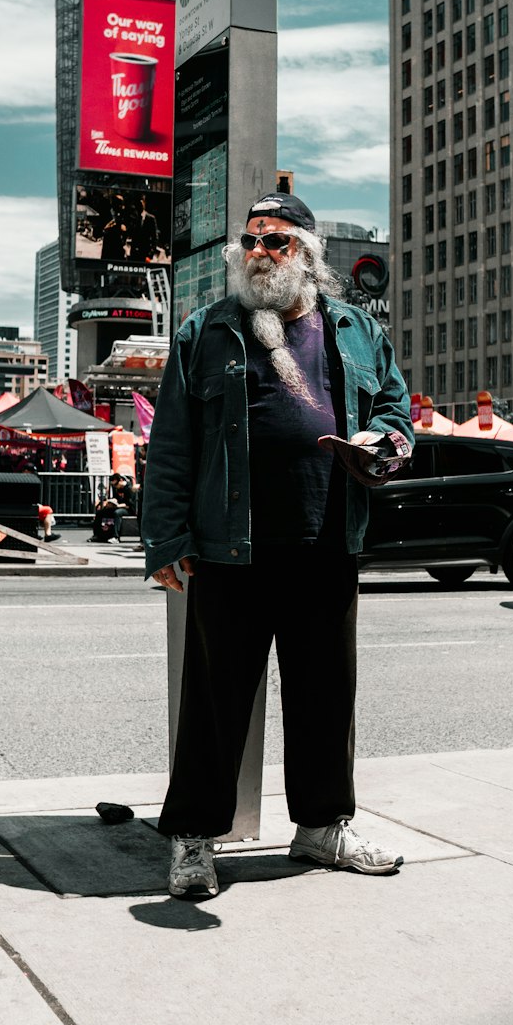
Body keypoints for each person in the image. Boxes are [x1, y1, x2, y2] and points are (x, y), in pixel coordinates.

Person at [142, 194, 414, 899]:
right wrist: (166, 539)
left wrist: (382, 442)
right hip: (231, 548)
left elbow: (393, 405)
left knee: (326, 694)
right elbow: (171, 442)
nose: (258, 251)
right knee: (216, 699)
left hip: (326, 539)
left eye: (277, 242)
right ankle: (196, 839)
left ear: (310, 258)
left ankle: (322, 828)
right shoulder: (206, 331)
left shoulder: (354, 330)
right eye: (251, 240)